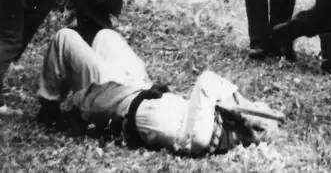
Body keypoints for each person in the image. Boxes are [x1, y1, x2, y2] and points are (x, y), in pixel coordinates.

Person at [36, 28, 281, 155]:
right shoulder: (218, 124)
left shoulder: (203, 136)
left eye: (256, 107)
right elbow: (215, 93)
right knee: (105, 37)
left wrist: (241, 103)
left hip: (111, 98)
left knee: (64, 38)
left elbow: (207, 80)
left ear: (248, 125)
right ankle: (79, 75)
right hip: (139, 87)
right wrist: (239, 105)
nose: (253, 103)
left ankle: (50, 108)